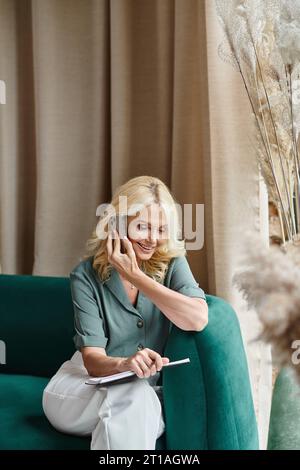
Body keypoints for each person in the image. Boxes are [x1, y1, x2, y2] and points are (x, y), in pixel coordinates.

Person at [42, 175, 208, 450]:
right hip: (81, 388)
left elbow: (197, 318)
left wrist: (136, 276)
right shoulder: (86, 276)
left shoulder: (173, 263)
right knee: (133, 397)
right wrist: (125, 364)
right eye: (143, 227)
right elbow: (93, 360)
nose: (153, 239)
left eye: (161, 229)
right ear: (118, 224)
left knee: (134, 401)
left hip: (144, 394)